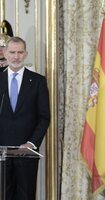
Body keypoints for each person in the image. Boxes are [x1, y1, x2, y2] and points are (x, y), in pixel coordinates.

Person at [0, 36, 50, 200]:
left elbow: (44, 117)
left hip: (26, 152)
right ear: (5, 53)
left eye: (20, 52)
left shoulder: (37, 81)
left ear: (26, 54)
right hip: (1, 153)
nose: (16, 56)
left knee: (26, 195)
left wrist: (31, 143)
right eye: (12, 52)